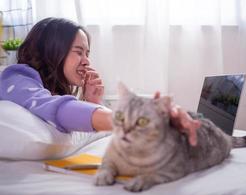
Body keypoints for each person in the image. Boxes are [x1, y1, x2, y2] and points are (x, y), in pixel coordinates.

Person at [0, 17, 200, 146]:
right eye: (79, 52)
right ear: (51, 50)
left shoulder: (50, 88)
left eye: (87, 53)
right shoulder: (16, 77)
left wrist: (91, 101)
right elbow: (51, 107)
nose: (86, 61)